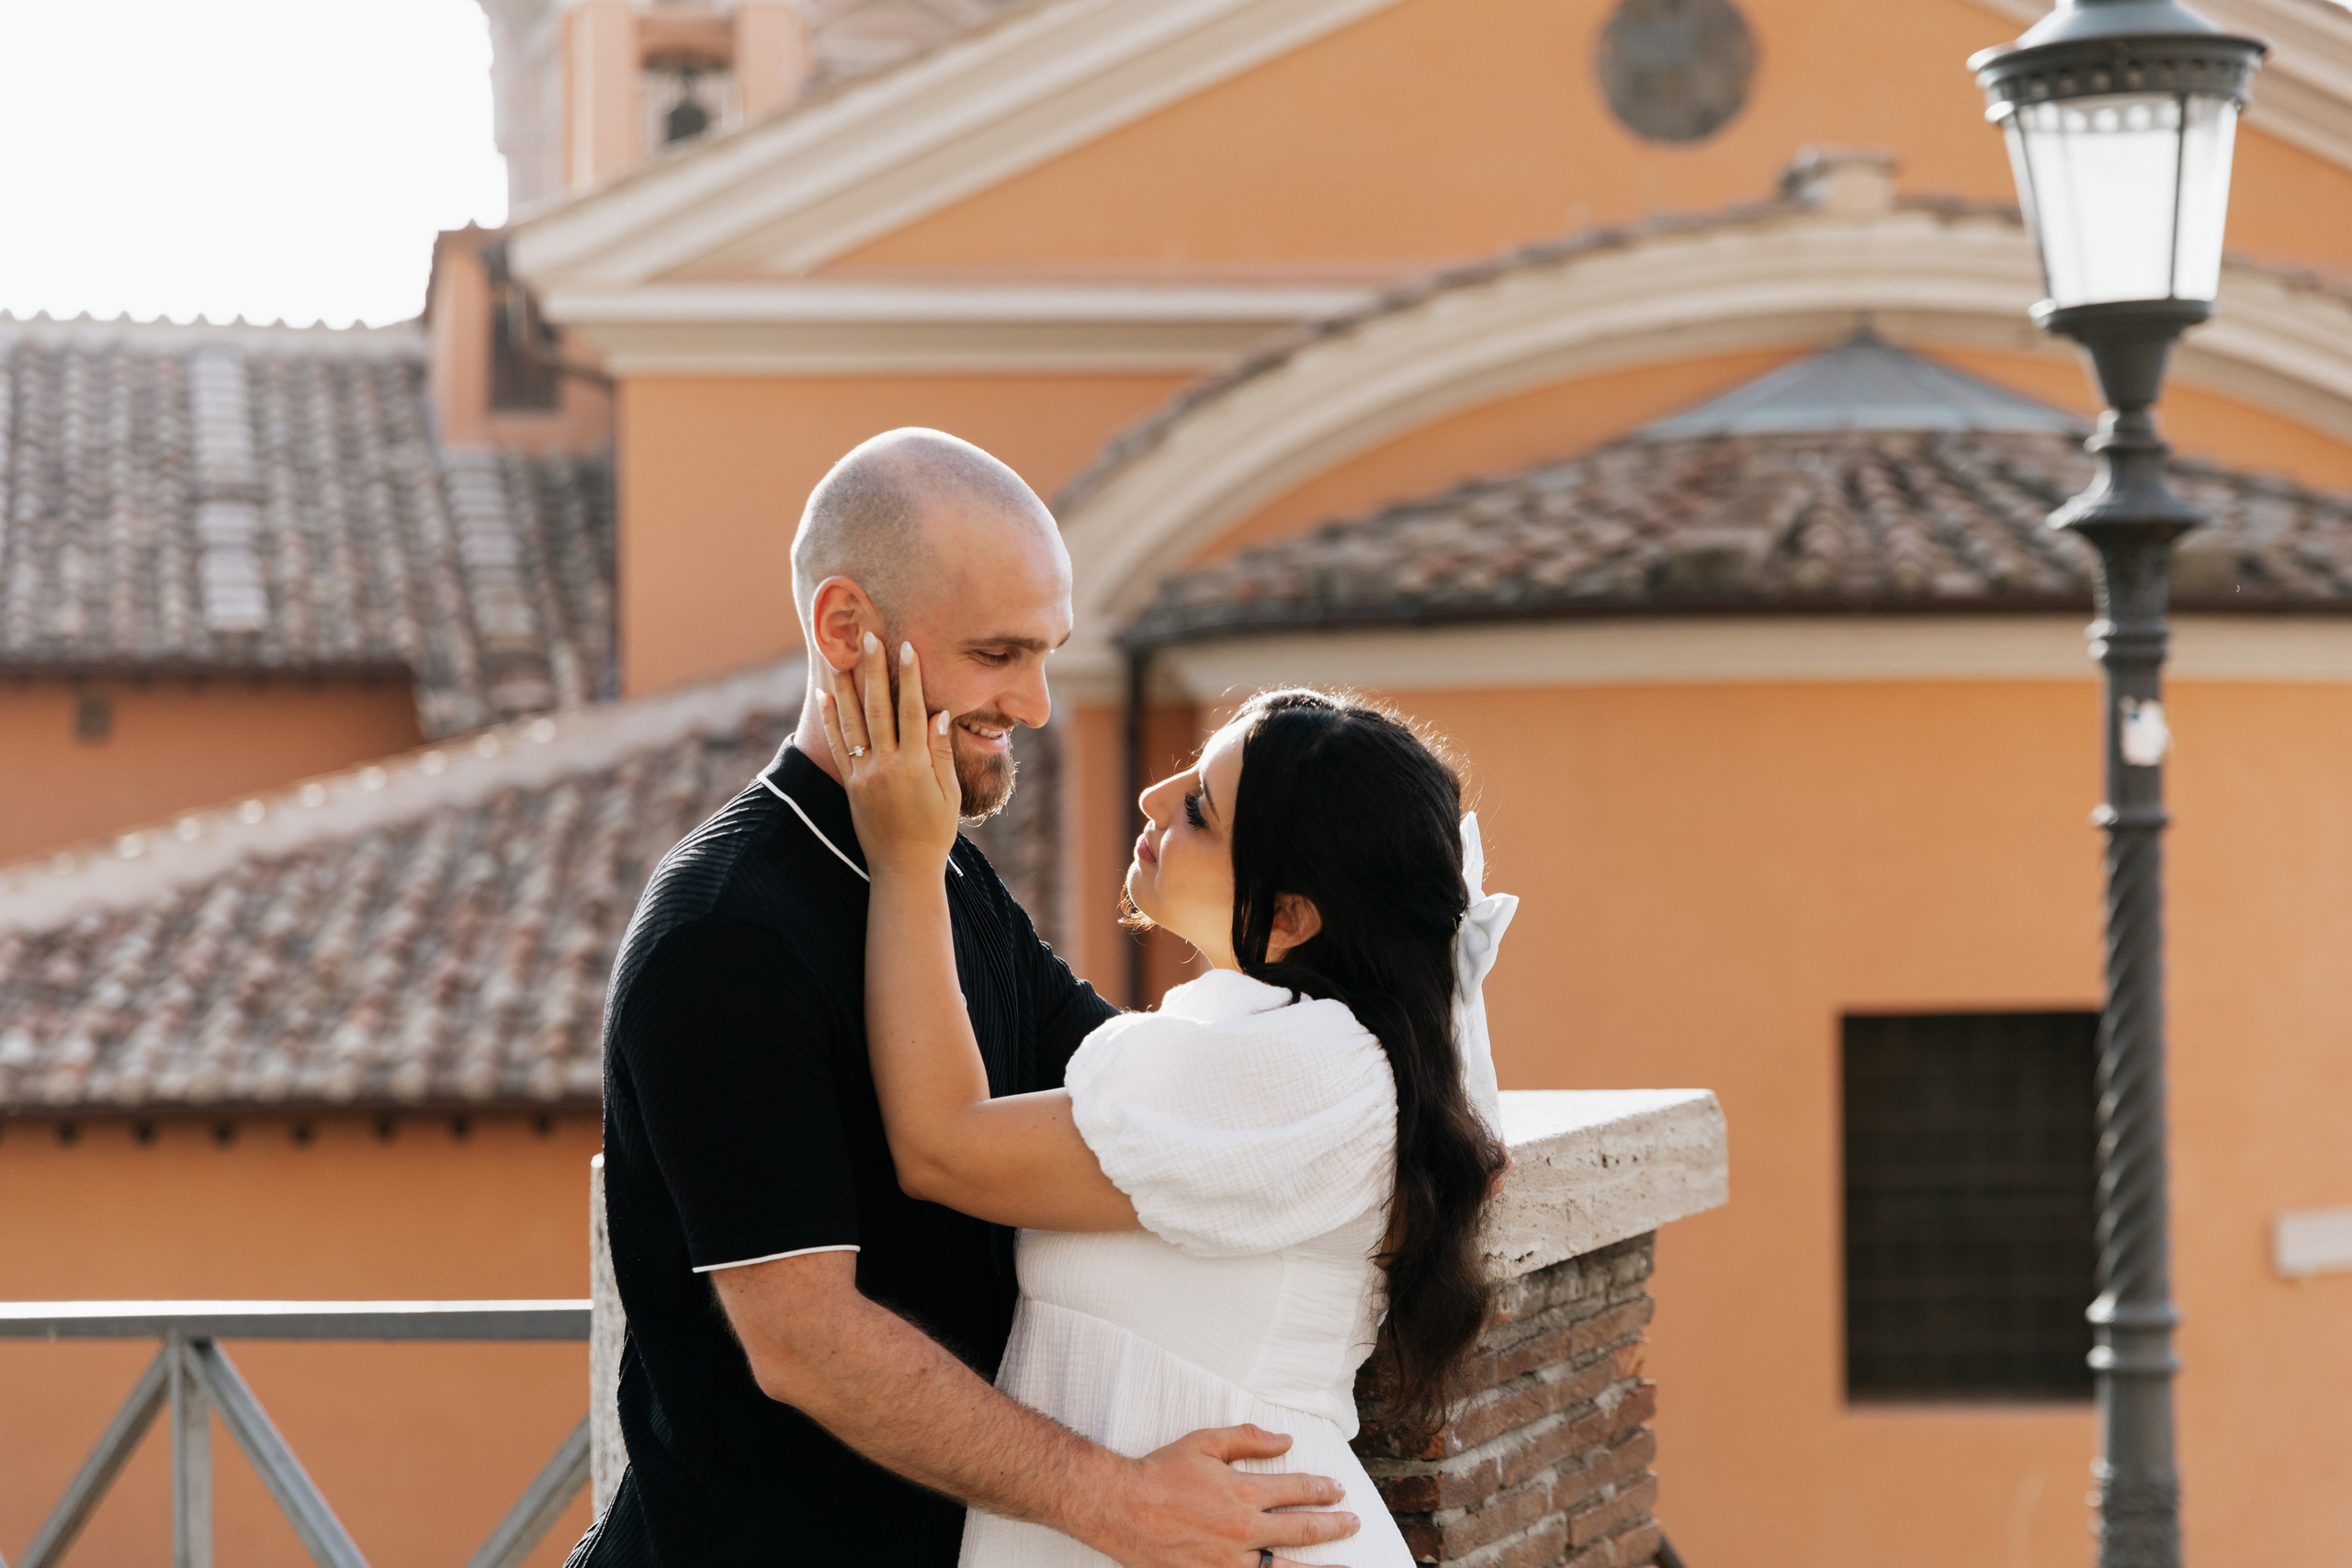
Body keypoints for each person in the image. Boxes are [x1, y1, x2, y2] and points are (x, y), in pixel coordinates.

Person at [578, 429, 1363, 1568]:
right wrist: (1115, 1500)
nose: (1036, 705)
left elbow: (1121, 1087)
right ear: (844, 630)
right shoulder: (725, 934)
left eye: (1046, 653)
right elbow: (805, 1341)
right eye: (997, 654)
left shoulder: (939, 868)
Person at [819, 637, 1516, 1567]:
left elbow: (942, 1147)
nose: (1152, 799)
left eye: (1198, 809)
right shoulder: (1320, 1053)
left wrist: (907, 858)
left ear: (1290, 918)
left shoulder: (1297, 1067)